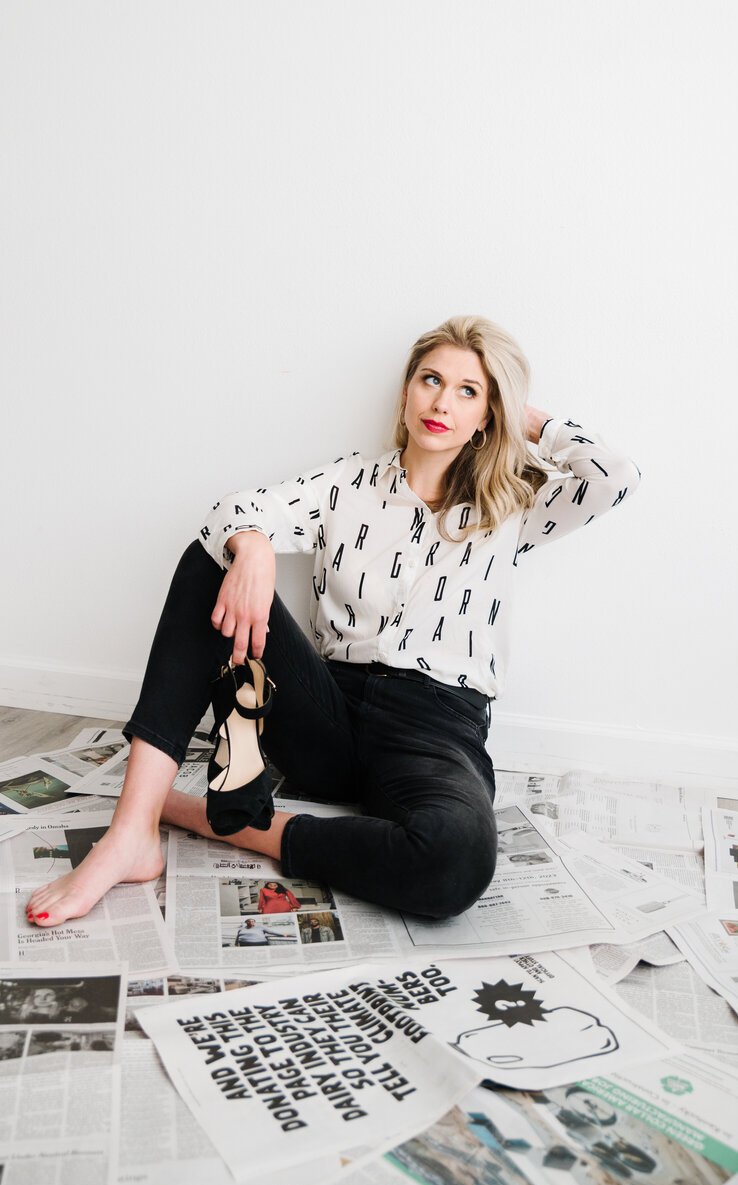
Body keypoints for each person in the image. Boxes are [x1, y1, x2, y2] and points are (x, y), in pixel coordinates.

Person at [24, 316, 640, 928]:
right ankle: (132, 833)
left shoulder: (511, 506)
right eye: (430, 380)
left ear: (489, 415)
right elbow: (230, 515)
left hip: (434, 731)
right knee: (213, 557)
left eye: (468, 391)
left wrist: (523, 415)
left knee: (454, 862)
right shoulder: (348, 484)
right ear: (405, 394)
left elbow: (615, 477)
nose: (441, 403)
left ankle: (201, 815)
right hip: (324, 713)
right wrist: (255, 546)